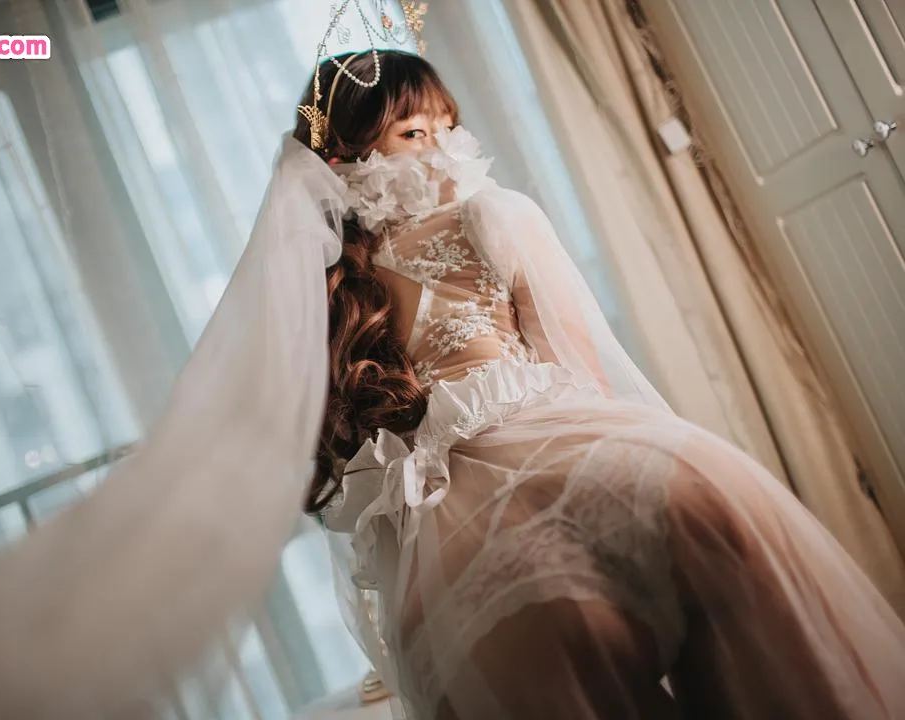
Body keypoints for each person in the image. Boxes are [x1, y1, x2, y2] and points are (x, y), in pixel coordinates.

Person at [302, 49, 905, 719]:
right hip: (544, 450)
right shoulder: (492, 214)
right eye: (415, 133)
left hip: (432, 546)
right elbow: (578, 368)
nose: (443, 151)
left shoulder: (329, 286)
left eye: (448, 127)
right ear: (347, 156)